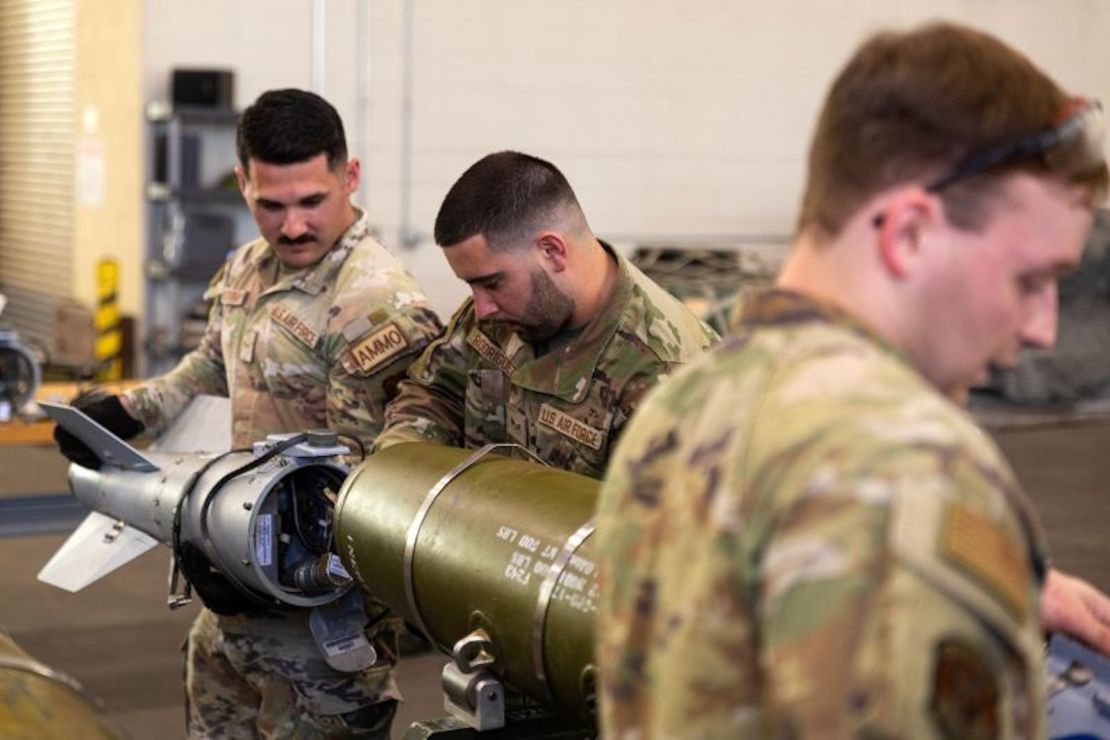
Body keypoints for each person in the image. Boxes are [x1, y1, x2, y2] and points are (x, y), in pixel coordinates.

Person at [595, 22, 1110, 738]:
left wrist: (980, 587)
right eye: (1032, 279)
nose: (1042, 329)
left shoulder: (684, 403)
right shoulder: (911, 465)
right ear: (909, 235)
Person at [54, 88, 442, 737]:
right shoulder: (248, 269)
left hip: (320, 620)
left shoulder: (376, 305)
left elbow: (373, 482)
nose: (293, 226)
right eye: (272, 204)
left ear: (349, 176)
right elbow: (211, 362)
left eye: (312, 201)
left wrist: (267, 557)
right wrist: (128, 409)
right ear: (242, 184)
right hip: (233, 589)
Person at [373, 150, 719, 476]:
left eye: (492, 283)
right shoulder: (501, 314)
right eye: (472, 286)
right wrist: (398, 469)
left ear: (552, 251)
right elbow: (434, 393)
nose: (481, 307)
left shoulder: (669, 376)